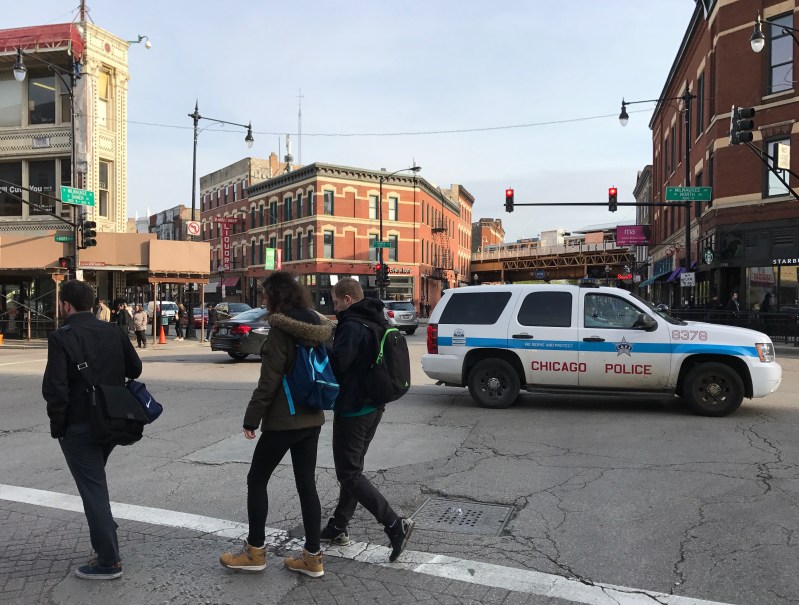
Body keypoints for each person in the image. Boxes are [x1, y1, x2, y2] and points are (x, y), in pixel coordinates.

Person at [219, 271, 332, 577]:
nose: (264, 301)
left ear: (276, 297)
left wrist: (251, 418)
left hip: (284, 421)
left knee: (256, 480)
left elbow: (269, 382)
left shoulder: (281, 330)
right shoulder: (316, 325)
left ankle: (255, 552)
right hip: (313, 417)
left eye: (266, 296)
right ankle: (313, 557)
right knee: (306, 485)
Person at [42, 279, 142, 580]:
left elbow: (55, 390)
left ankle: (109, 560)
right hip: (112, 420)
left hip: (79, 424)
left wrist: (58, 427)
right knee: (96, 481)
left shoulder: (62, 337)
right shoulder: (112, 330)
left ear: (66, 305)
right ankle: (106, 533)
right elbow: (134, 369)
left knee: (93, 489)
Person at [321, 277, 415, 562]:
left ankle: (393, 524)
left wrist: (321, 344)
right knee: (354, 471)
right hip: (375, 406)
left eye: (336, 302)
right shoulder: (378, 319)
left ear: (348, 299)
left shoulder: (351, 325)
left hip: (354, 408)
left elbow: (338, 366)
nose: (334, 307)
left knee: (348, 473)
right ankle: (339, 525)